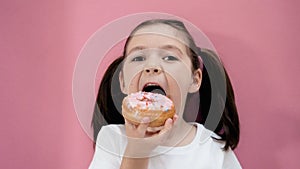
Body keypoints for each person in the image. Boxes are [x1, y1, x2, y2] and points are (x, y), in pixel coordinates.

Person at [89, 19, 242, 169]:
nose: (152, 66)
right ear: (122, 81)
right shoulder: (113, 139)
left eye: (170, 57)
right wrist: (137, 151)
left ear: (194, 80)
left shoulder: (215, 149)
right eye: (139, 58)